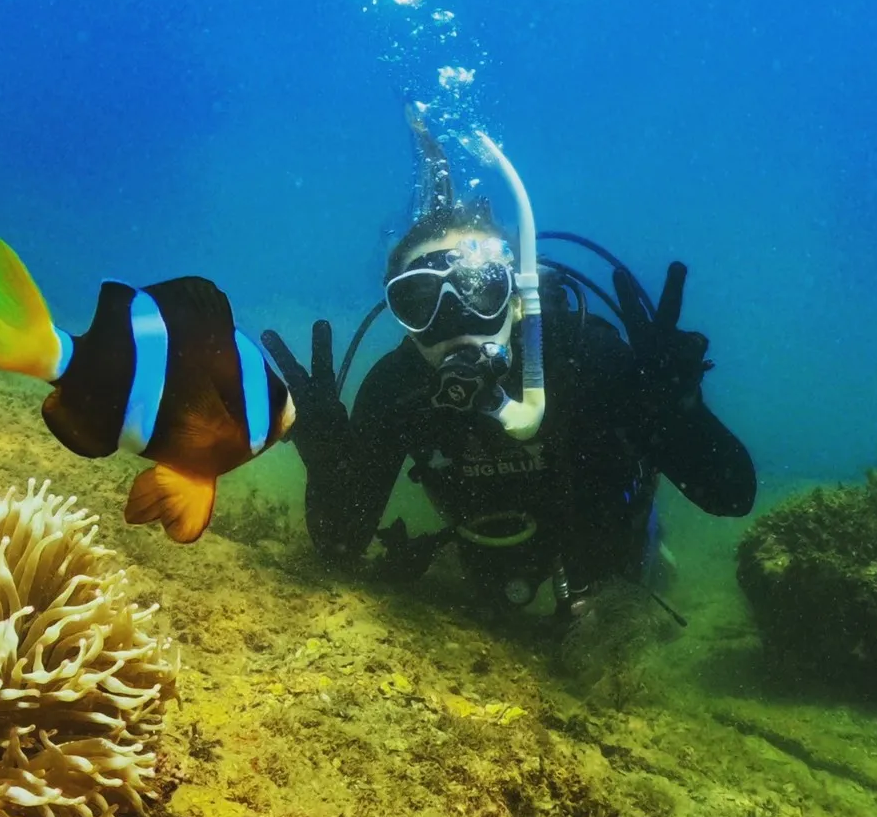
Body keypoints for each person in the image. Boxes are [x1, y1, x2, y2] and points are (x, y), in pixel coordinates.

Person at [262, 108, 755, 619]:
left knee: (641, 573)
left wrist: (677, 408)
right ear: (400, 318)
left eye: (481, 291)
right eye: (421, 300)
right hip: (488, 563)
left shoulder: (585, 358)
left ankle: (658, 548)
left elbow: (732, 495)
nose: (454, 321)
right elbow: (339, 544)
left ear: (520, 298)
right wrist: (325, 465)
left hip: (604, 557)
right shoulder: (397, 388)